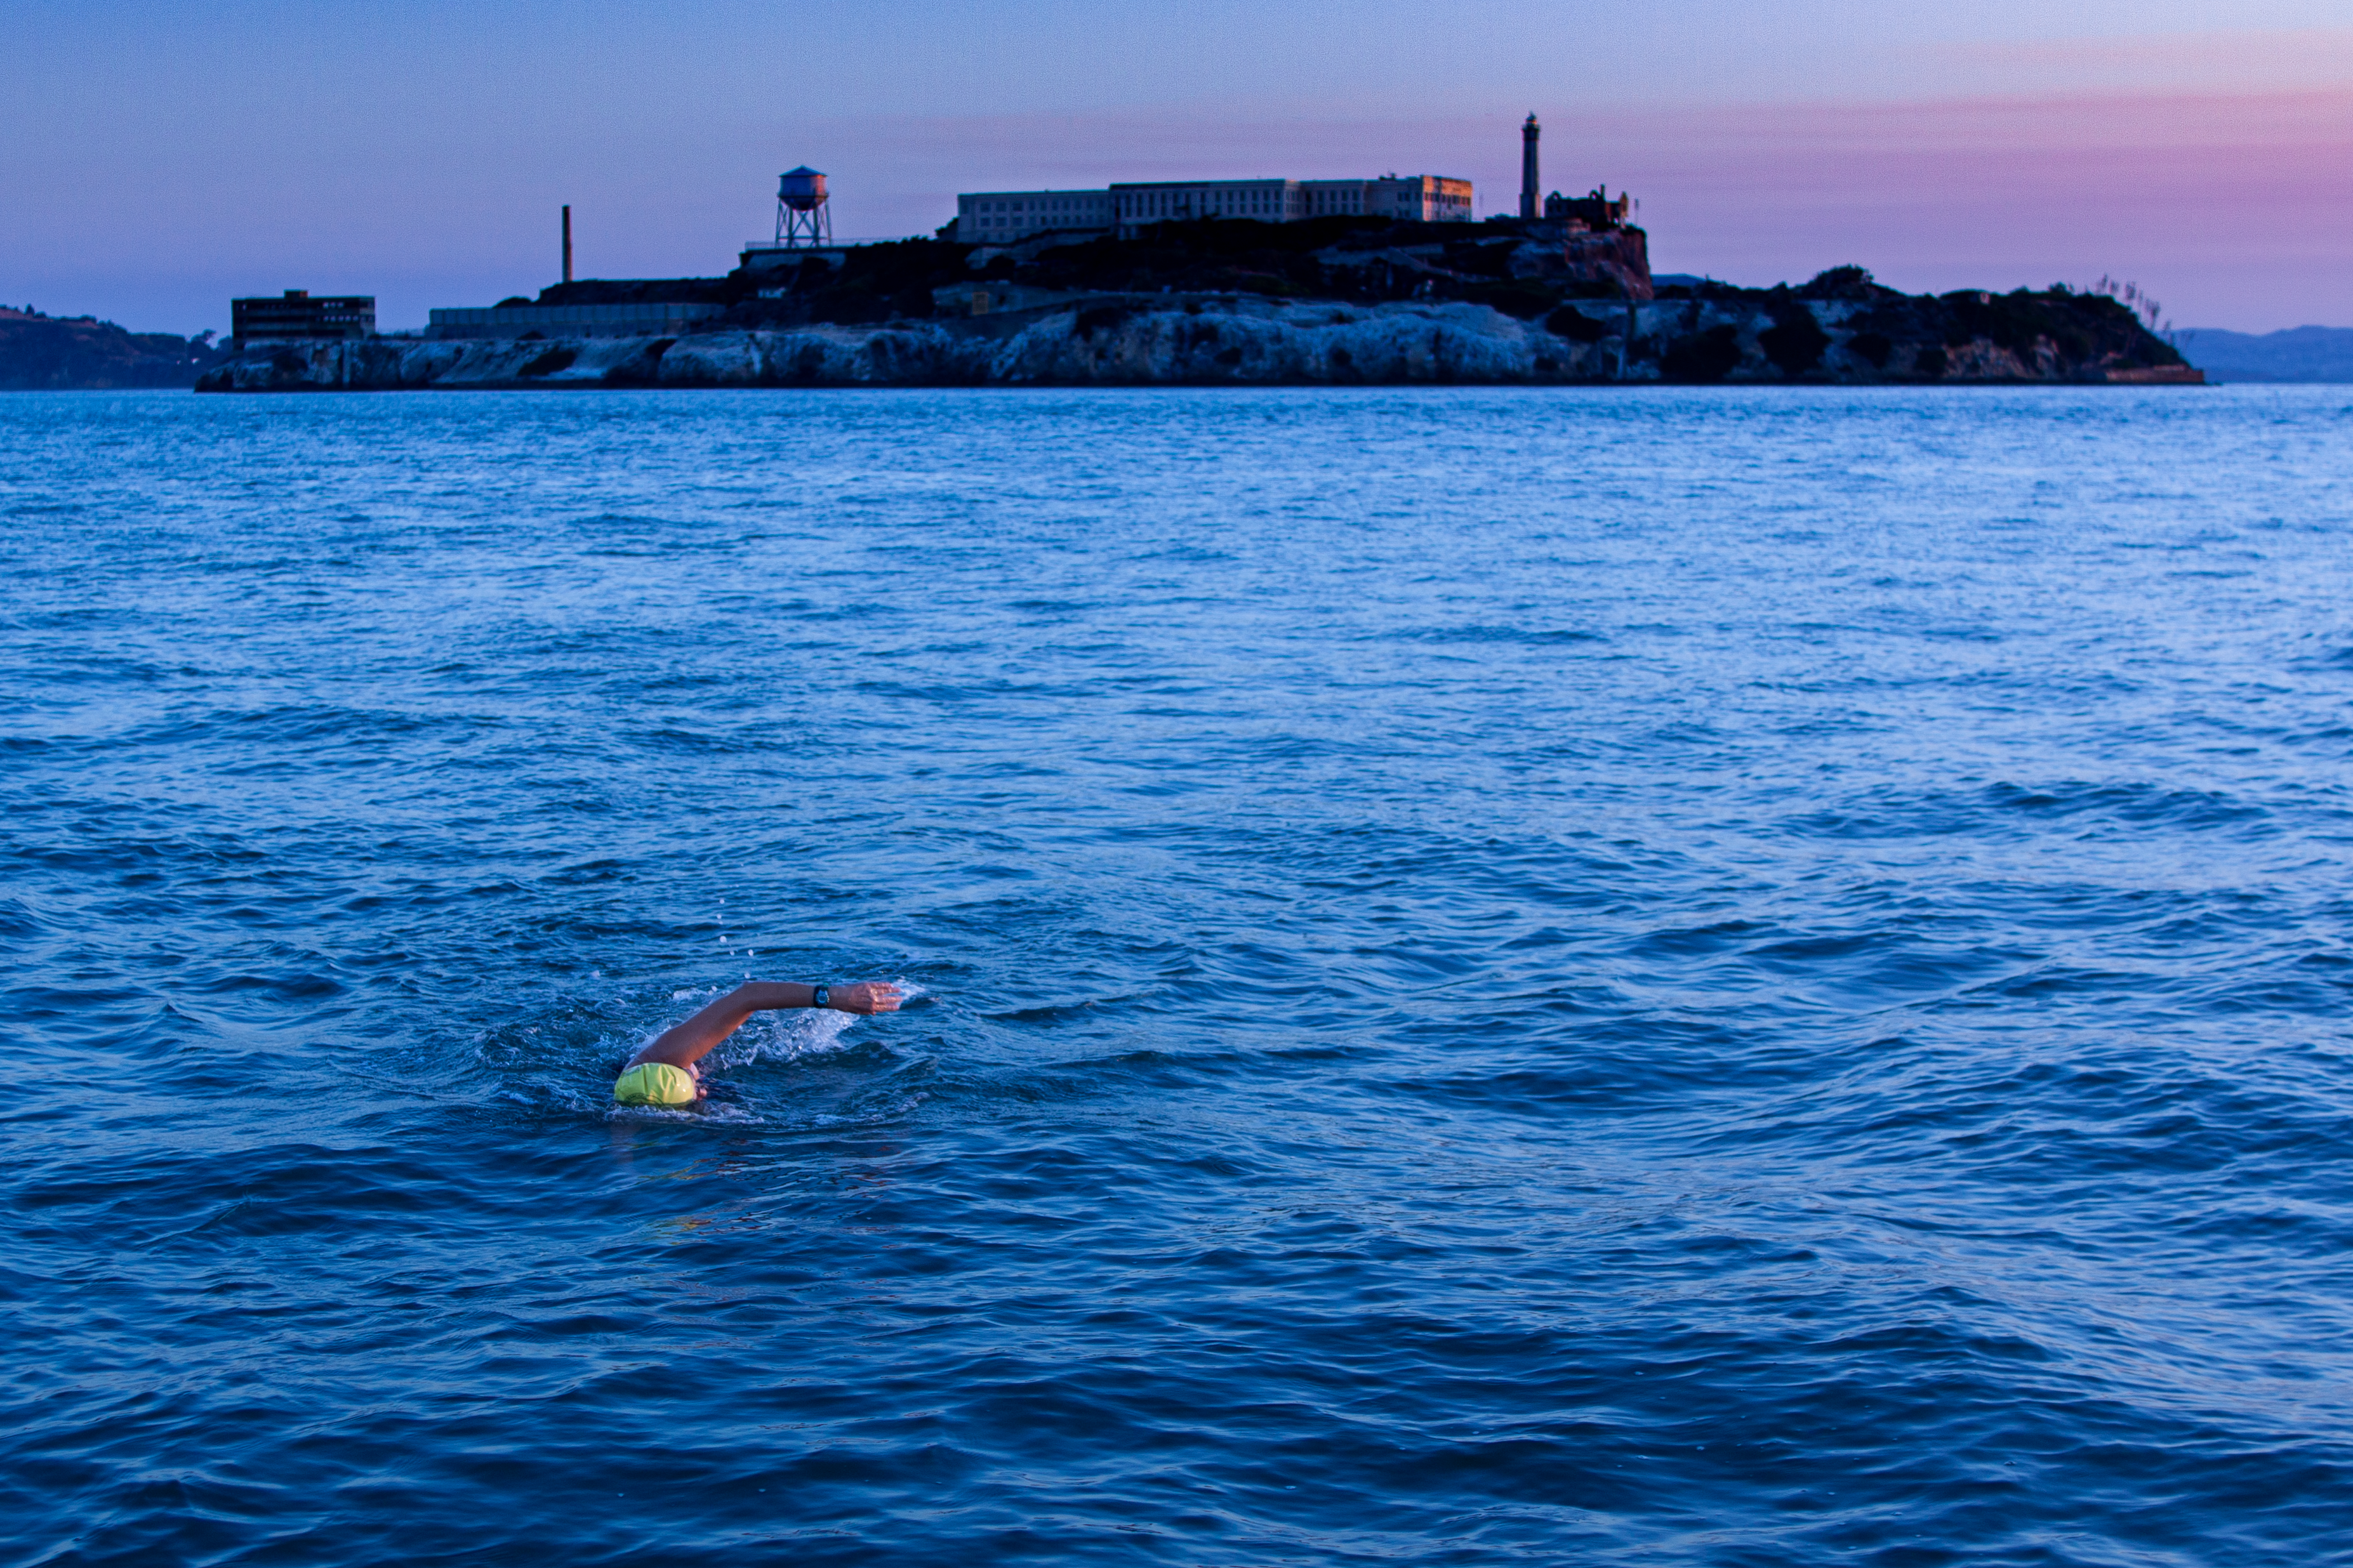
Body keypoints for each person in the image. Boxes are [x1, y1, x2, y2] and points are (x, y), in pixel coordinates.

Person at [613, 980, 905, 1107]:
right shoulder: (636, 1099)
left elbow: (749, 996)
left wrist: (836, 997)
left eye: (691, 1077)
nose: (700, 1089)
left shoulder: (667, 1055)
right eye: (695, 1089)